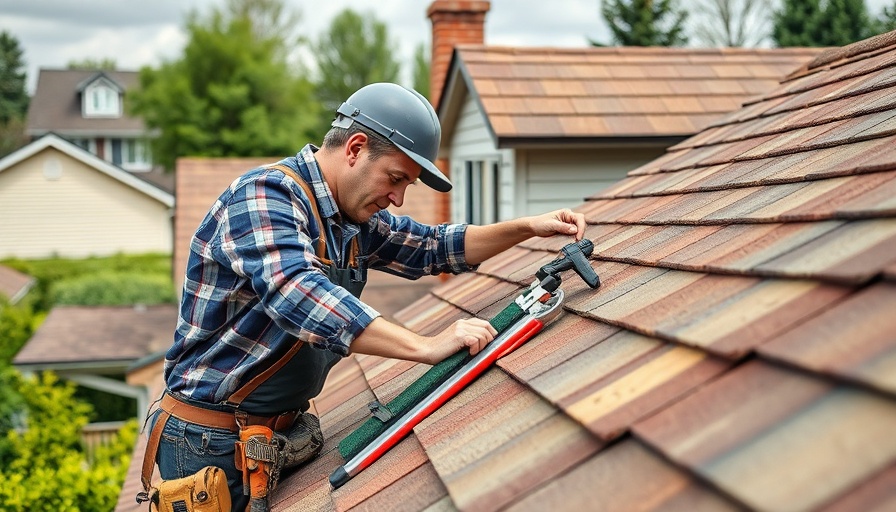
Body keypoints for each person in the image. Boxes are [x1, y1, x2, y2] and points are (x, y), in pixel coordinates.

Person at [145, 82, 585, 510]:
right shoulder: (265, 196)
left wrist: (527, 227)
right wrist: (425, 346)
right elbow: (298, 292)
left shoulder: (348, 221)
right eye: (395, 178)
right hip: (207, 445)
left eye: (407, 185)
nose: (397, 199)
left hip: (273, 434)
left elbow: (433, 247)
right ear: (354, 149)